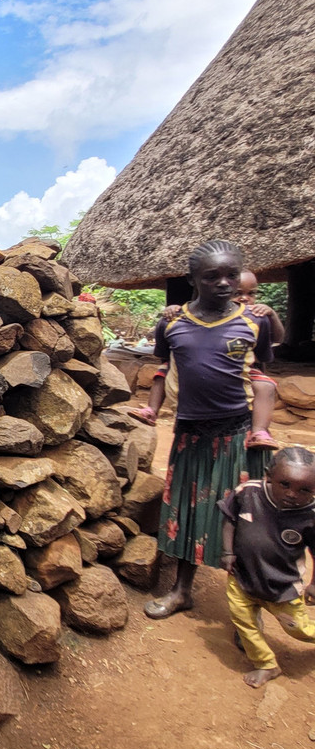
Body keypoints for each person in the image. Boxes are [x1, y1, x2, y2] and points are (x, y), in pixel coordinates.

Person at [144, 240, 275, 620]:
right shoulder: (171, 324)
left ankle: (251, 606)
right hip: (190, 435)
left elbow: (262, 372)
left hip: (239, 433)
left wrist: (260, 424)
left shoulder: (256, 322)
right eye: (211, 276)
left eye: (231, 275)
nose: (223, 283)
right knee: (188, 514)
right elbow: (163, 369)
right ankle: (182, 590)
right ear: (192, 280)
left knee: (248, 520)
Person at [129, 269, 284, 449]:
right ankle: (151, 410)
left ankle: (259, 431)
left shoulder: (256, 318)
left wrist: (271, 315)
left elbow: (277, 339)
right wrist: (172, 309)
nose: (245, 298)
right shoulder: (189, 316)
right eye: (238, 293)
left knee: (265, 385)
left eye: (252, 294)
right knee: (163, 371)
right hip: (187, 374)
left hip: (243, 370)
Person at [219, 447, 315, 688]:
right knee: (244, 623)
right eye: (284, 484)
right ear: (268, 476)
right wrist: (228, 552)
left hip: (281, 588)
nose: (292, 494)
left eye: (305, 490)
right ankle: (266, 664)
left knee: (299, 629)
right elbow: (230, 519)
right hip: (242, 578)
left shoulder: (310, 515)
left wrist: (314, 584)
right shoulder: (248, 492)